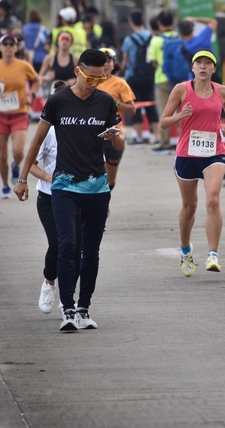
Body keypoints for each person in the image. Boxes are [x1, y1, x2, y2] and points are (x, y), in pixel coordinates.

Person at [13, 49, 125, 332]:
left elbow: (120, 143)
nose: (94, 84)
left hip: (97, 187)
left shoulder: (106, 102)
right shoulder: (58, 101)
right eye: (90, 78)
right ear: (78, 71)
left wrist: (115, 138)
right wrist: (23, 178)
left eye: (100, 79)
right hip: (64, 186)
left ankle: (84, 308)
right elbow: (36, 141)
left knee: (91, 250)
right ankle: (68, 309)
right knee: (67, 245)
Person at [159, 50, 225, 275]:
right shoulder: (181, 89)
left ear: (214, 68)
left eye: (207, 63)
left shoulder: (222, 91)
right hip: (187, 154)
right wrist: (180, 116)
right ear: (192, 68)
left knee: (212, 200)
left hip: (214, 153)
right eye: (198, 63)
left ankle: (213, 254)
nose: (203, 67)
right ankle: (185, 250)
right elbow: (163, 122)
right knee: (189, 207)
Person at [29, 80, 81, 316]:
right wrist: (48, 177)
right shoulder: (48, 132)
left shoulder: (84, 129)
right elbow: (31, 163)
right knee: (60, 244)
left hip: (79, 196)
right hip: (49, 197)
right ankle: (49, 283)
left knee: (77, 249)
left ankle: (67, 298)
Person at [0, 33, 40, 198]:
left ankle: (16, 165)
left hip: (19, 113)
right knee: (1, 155)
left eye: (12, 44)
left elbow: (37, 80)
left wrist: (31, 95)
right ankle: (5, 185)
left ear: (16, 48)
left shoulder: (23, 66)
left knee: (18, 151)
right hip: (1, 115)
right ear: (1, 47)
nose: (8, 47)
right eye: (5, 44)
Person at [97, 47, 136, 191]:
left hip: (113, 134)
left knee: (110, 180)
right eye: (102, 61)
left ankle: (103, 197)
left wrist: (115, 103)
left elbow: (132, 109)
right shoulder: (89, 81)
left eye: (108, 61)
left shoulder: (120, 83)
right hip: (92, 132)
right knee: (93, 174)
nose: (105, 65)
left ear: (113, 64)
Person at [121, 10, 159, 145]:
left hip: (133, 77)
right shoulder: (152, 37)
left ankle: (139, 137)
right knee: (151, 105)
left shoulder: (129, 40)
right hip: (149, 76)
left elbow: (125, 61)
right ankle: (157, 137)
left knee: (135, 106)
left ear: (132, 22)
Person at [148, 10, 178, 154]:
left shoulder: (156, 40)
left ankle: (165, 144)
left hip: (162, 79)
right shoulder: (179, 37)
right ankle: (184, 143)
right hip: (180, 79)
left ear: (159, 23)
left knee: (165, 112)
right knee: (183, 111)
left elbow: (153, 62)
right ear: (172, 22)